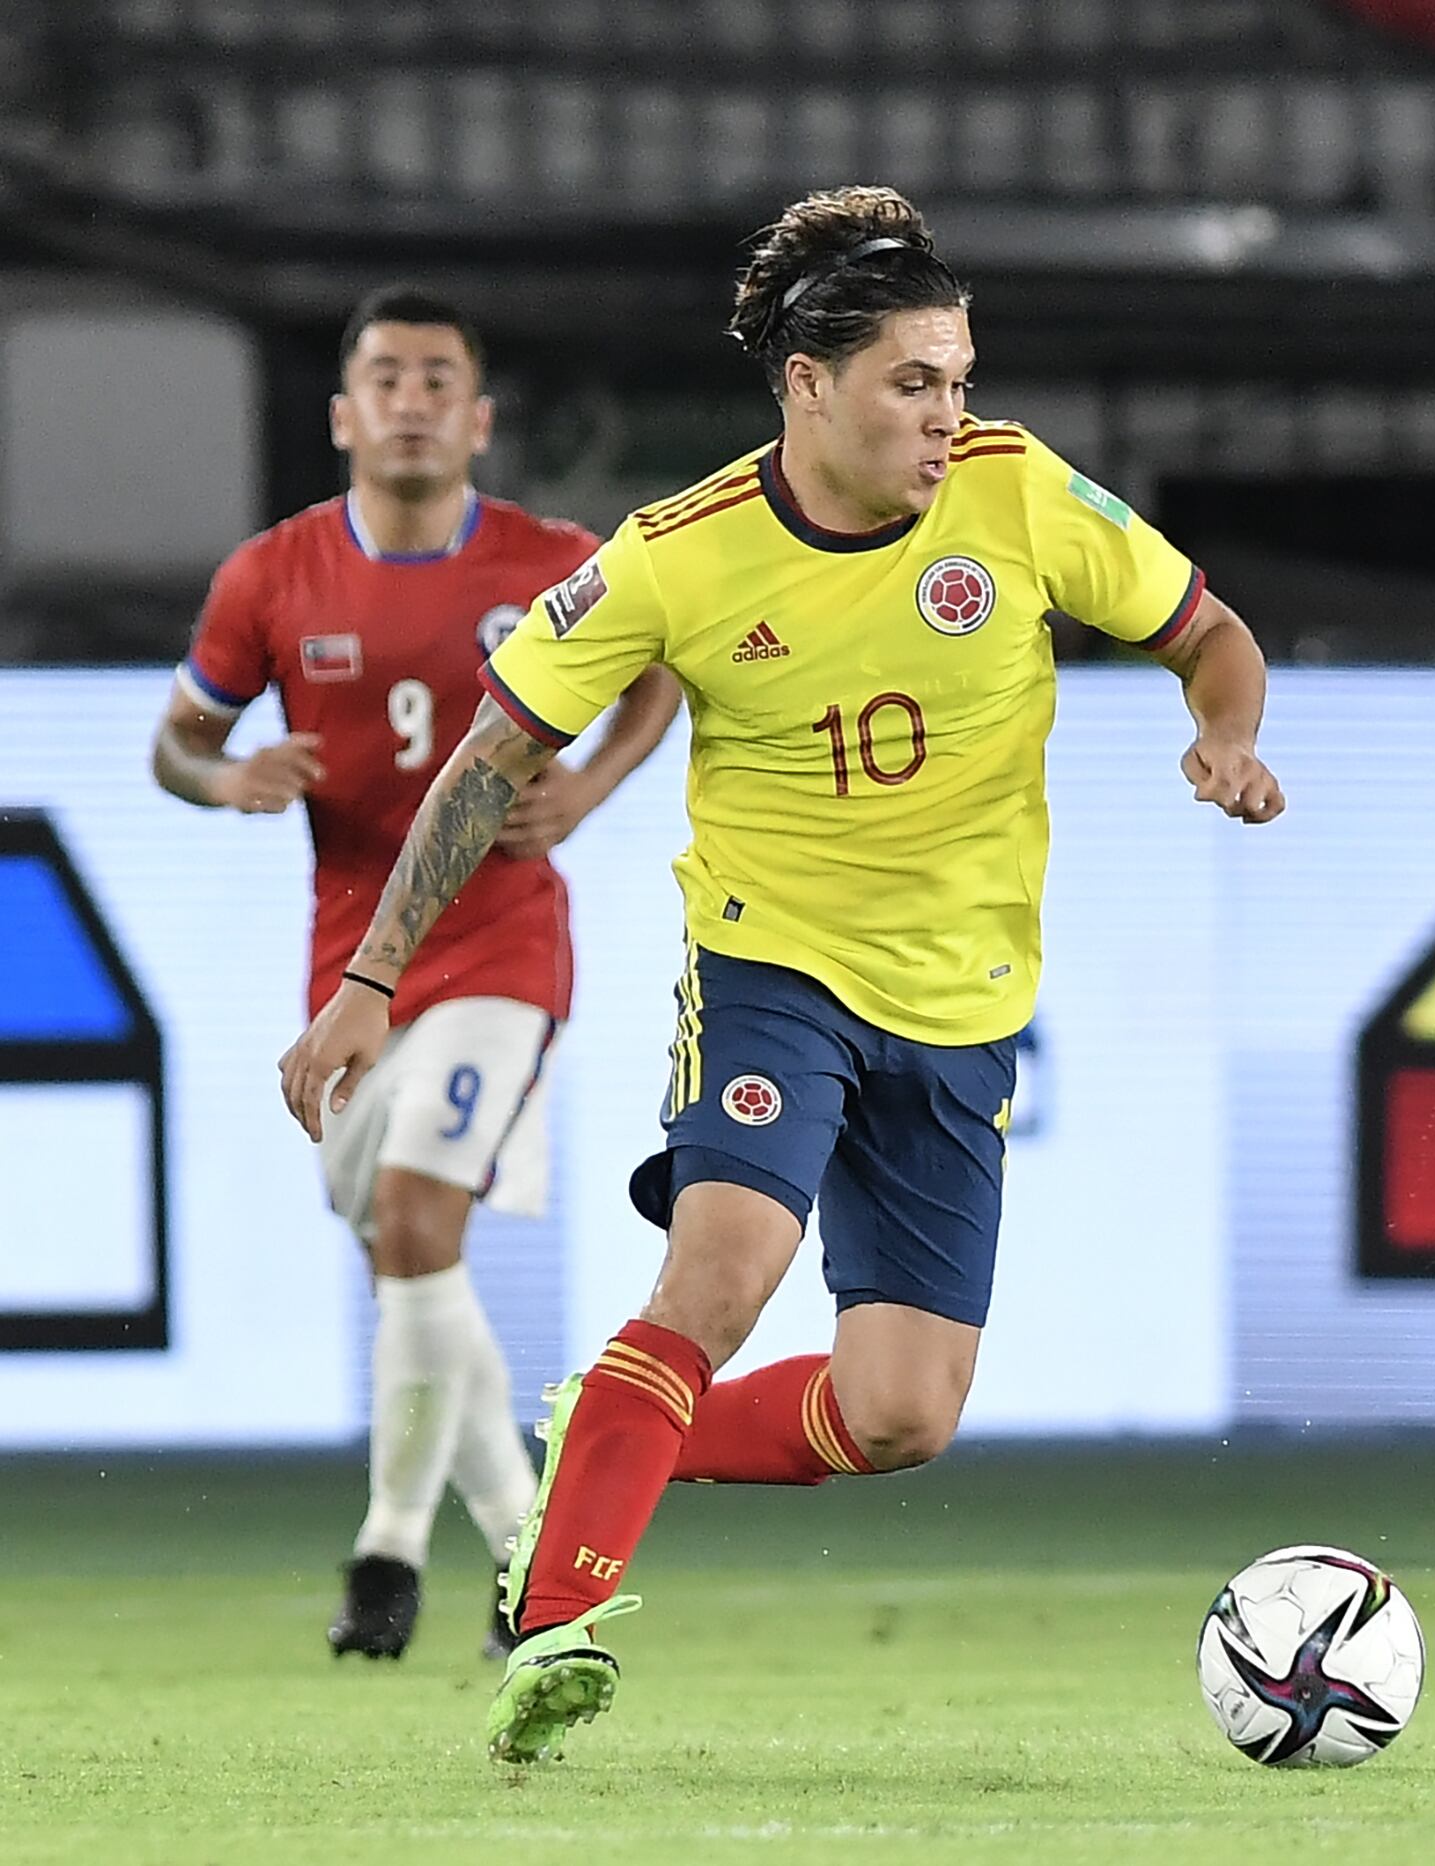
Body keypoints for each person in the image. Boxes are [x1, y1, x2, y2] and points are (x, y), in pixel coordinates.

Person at [274, 186, 1285, 1763]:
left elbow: (1210, 631)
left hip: (963, 1008)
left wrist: (1221, 731)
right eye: (914, 384)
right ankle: (555, 1626)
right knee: (723, 1274)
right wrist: (370, 977)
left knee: (901, 1415)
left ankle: (614, 1432)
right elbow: (491, 757)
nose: (952, 415)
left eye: (959, 379)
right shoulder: (677, 557)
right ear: (808, 385)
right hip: (772, 967)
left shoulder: (1018, 495)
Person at [154, 287, 680, 1660]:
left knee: (413, 1212)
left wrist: (594, 790)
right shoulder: (268, 580)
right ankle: (506, 1538)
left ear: (479, 416)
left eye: (437, 378)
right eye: (383, 376)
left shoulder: (552, 561)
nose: (409, 398)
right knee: (405, 1251)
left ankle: (407, 1557)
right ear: (341, 415)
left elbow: (663, 669)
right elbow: (175, 743)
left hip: (503, 946)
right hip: (350, 970)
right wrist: (227, 777)